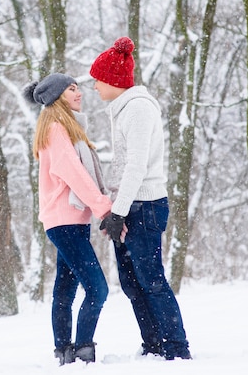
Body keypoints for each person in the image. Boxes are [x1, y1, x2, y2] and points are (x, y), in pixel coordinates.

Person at [91, 37, 192, 360]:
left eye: (98, 80)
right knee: (132, 283)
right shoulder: (122, 110)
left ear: (113, 81)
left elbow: (136, 165)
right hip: (127, 205)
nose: (94, 86)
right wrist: (114, 207)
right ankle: (153, 345)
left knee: (151, 280)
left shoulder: (137, 109)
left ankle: (176, 348)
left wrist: (118, 212)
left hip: (144, 206)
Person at [23, 73, 112, 365]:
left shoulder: (60, 127)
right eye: (72, 89)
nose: (79, 93)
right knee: (97, 288)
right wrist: (103, 207)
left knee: (64, 289)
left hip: (68, 221)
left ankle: (64, 353)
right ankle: (83, 351)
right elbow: (75, 173)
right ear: (58, 95)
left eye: (78, 88)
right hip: (65, 221)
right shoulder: (56, 129)